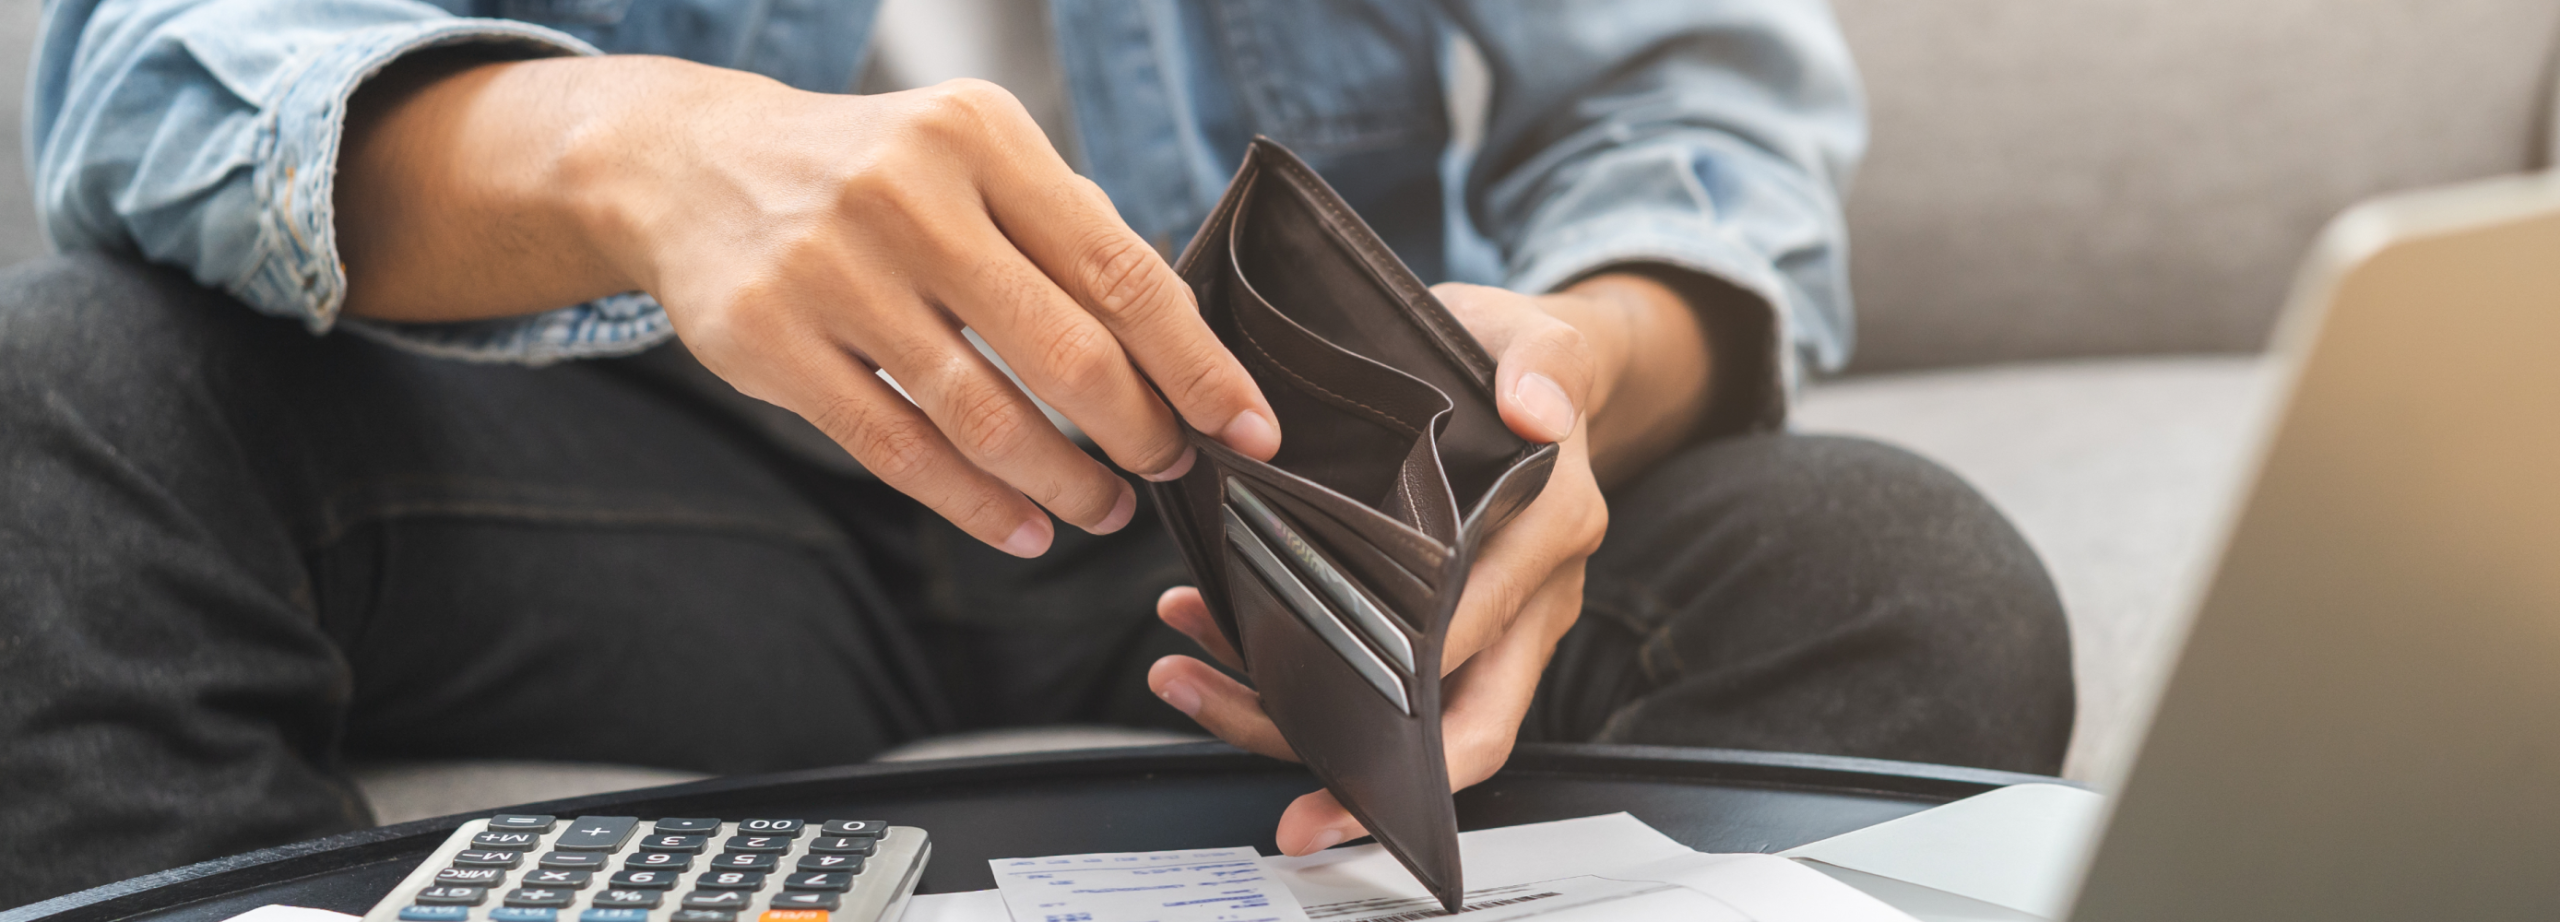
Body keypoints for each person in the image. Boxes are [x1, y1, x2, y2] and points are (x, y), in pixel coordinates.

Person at [0, 0, 2075, 907]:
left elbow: (1689, 121)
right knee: (52, 398)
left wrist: (1559, 373)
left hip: (1263, 526)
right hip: (636, 488)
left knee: (1891, 573)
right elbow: (134, 74)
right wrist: (617, 147)